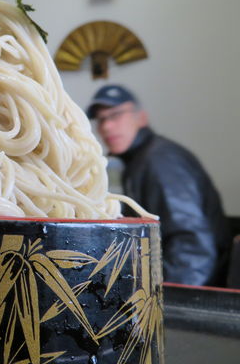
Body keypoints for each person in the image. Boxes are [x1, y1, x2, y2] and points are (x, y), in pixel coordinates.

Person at [87, 84, 230, 286]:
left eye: (116, 115)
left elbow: (192, 249)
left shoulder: (159, 160)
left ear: (142, 118)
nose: (106, 126)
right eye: (101, 119)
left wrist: (173, 307)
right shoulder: (140, 159)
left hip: (200, 291)